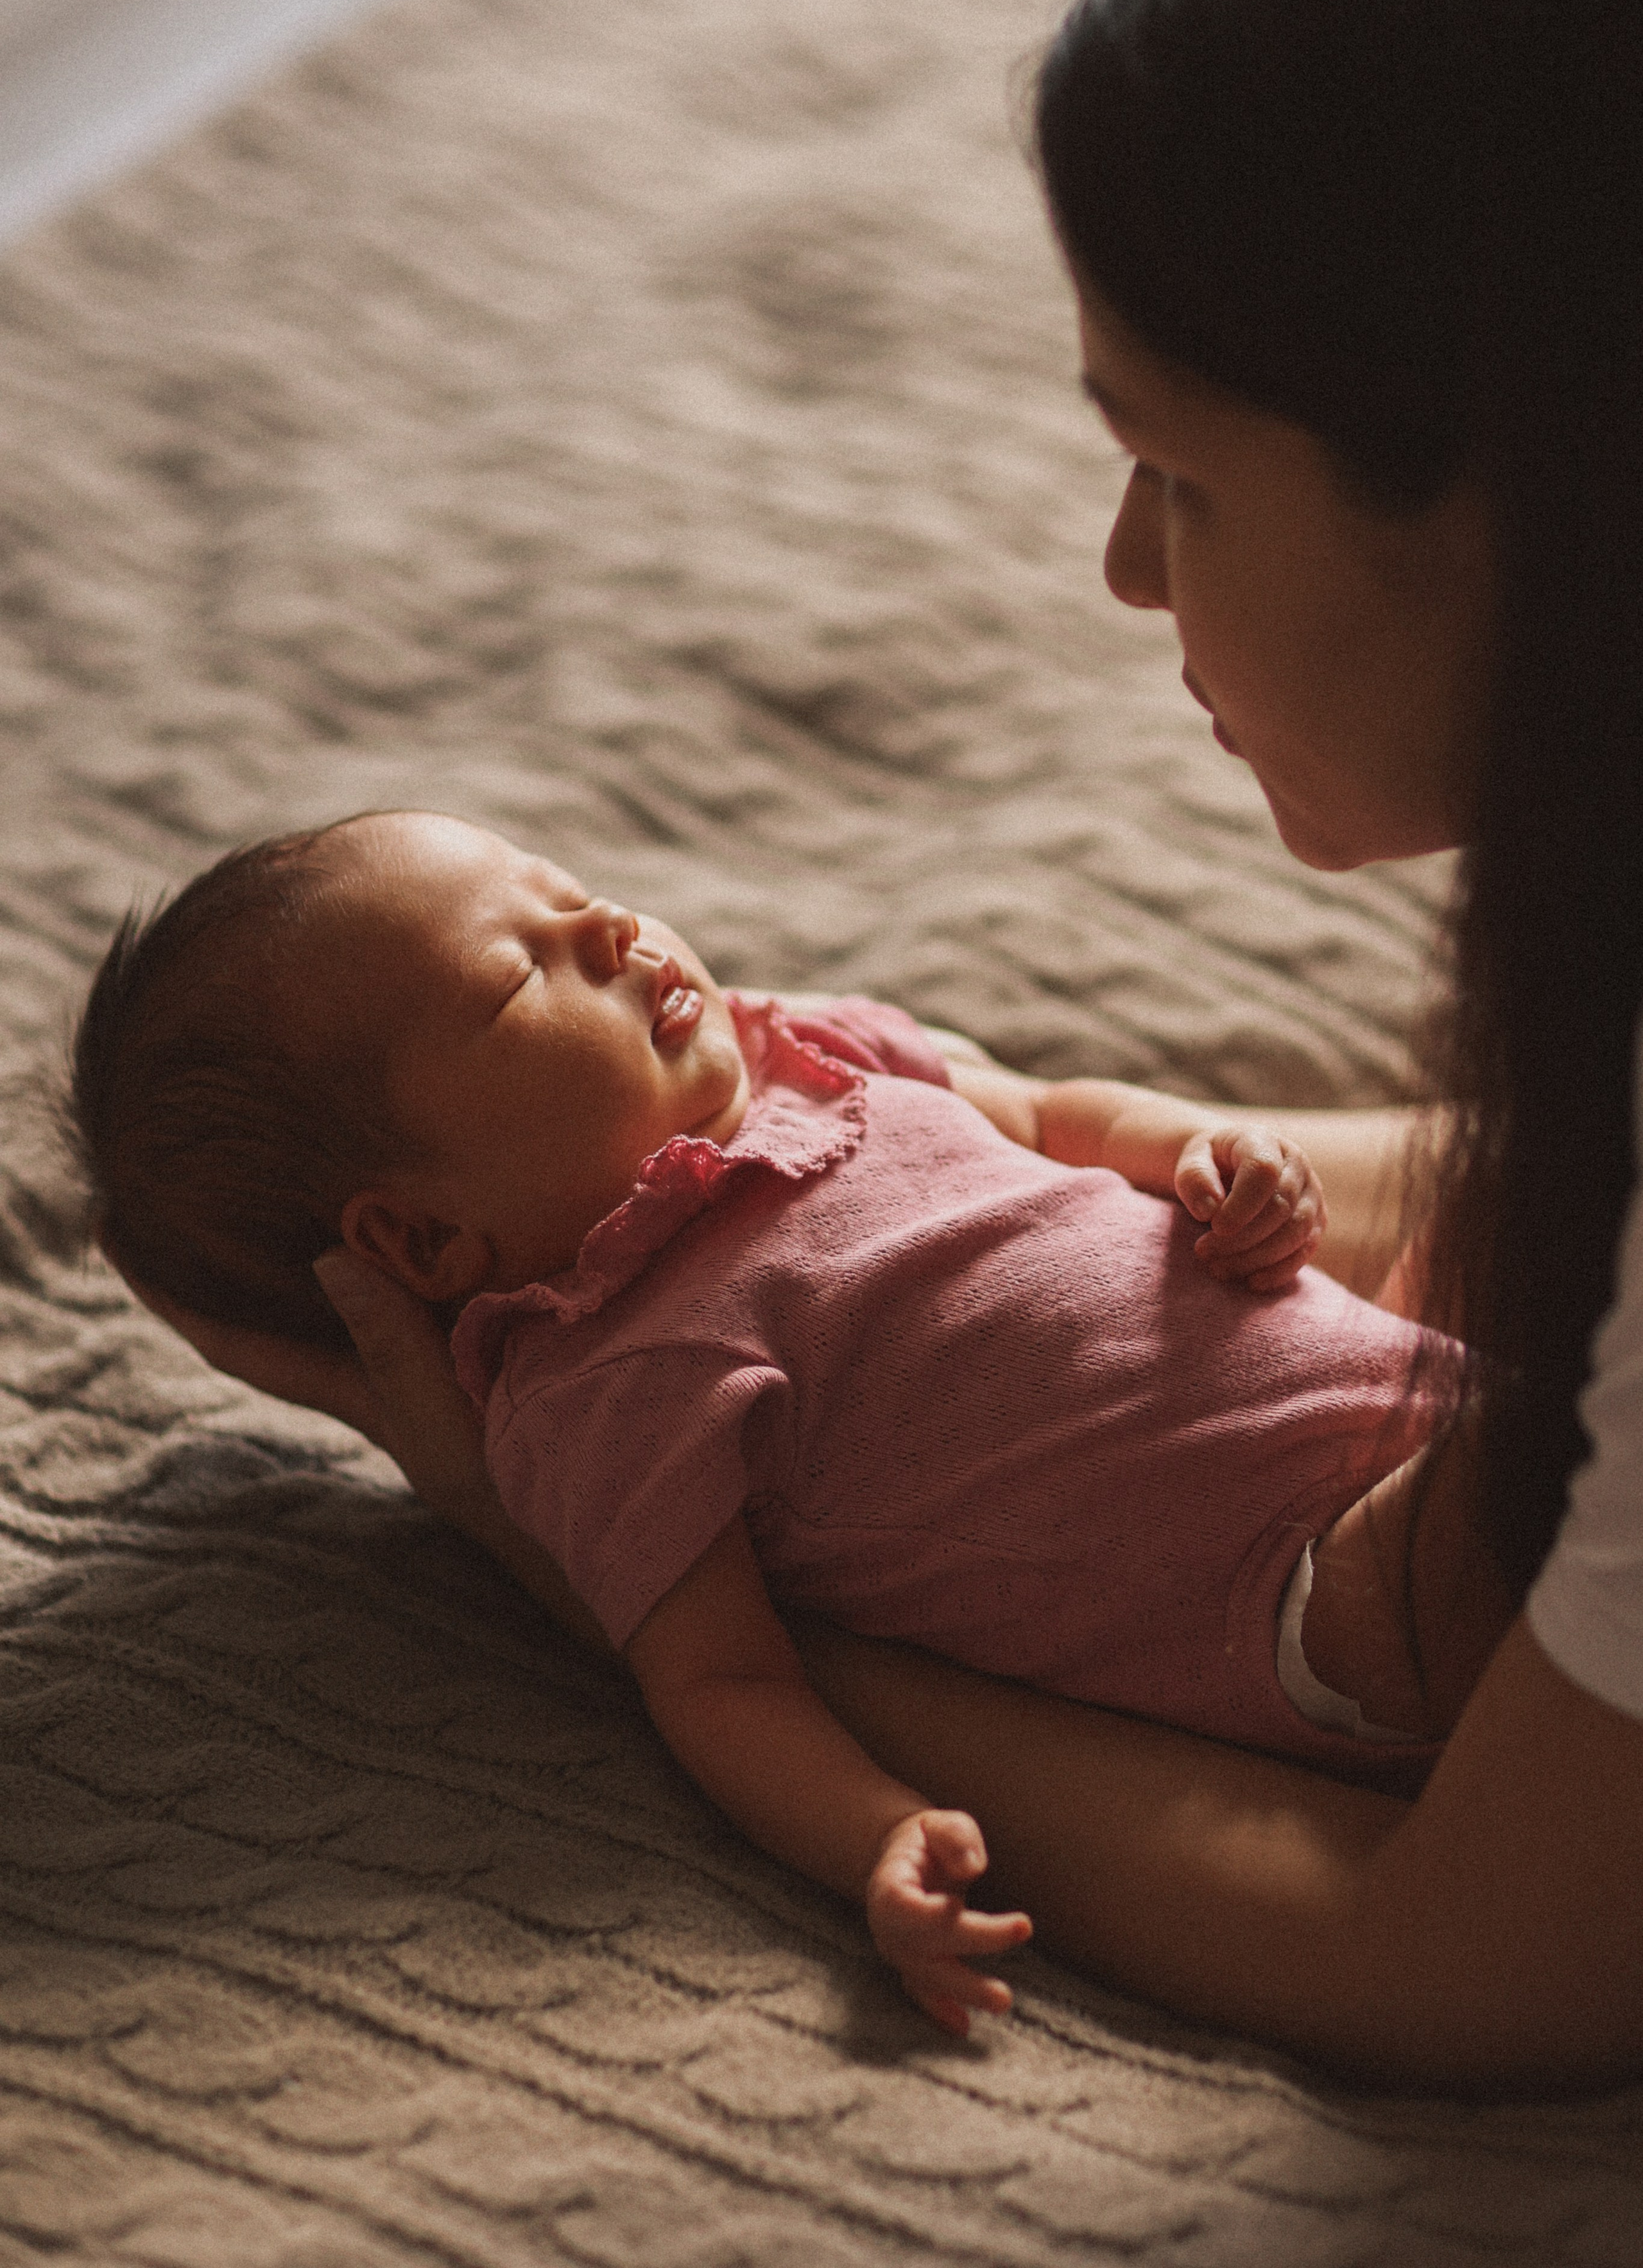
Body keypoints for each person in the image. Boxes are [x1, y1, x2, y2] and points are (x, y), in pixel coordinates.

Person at [121, 0, 1643, 2092]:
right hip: (1316, 1554)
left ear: (1525, 474)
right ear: (412, 1222)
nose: (1130, 577)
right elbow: (1480, 1164)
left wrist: (557, 1572)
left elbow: (1484, 1957)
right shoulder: (635, 1361)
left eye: (1181, 472)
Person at [74, 807, 1499, 2032]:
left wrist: (1204, 1157)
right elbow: (718, 1683)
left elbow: (1052, 1112)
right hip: (1319, 1577)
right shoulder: (601, 1381)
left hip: (1418, 1381)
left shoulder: (812, 1053)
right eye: (526, 974)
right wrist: (871, 1832)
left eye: (576, 894)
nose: (616, 931)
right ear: (426, 1243)